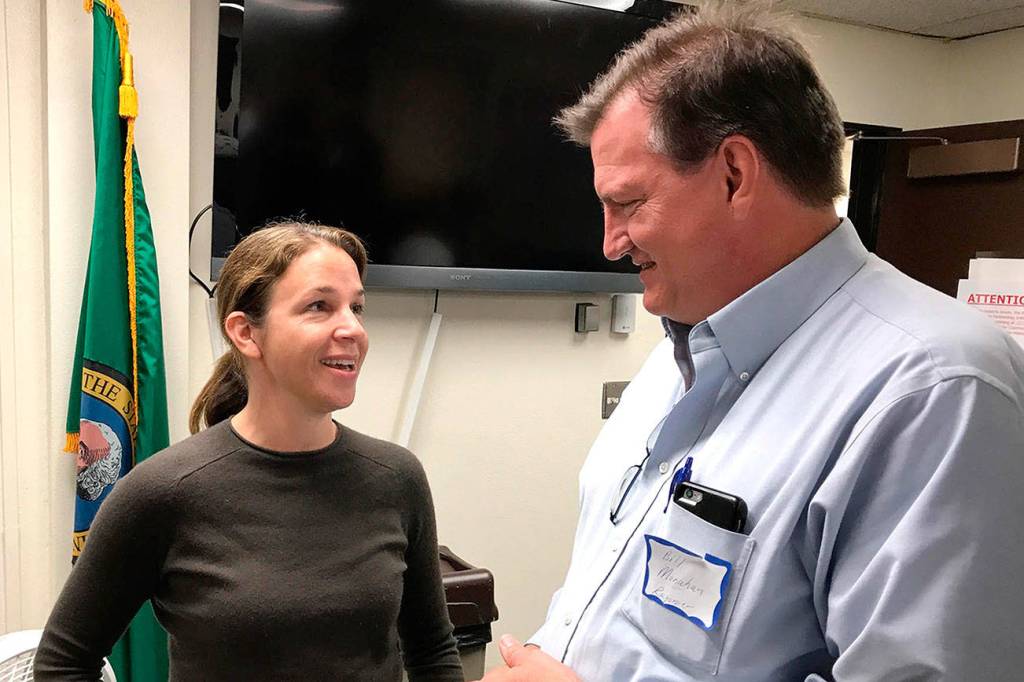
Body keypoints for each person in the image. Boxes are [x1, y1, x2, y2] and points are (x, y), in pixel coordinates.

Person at [479, 3, 1024, 681]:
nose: (611, 243)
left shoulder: (937, 390)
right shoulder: (681, 349)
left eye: (628, 203)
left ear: (735, 174)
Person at [35, 223, 464, 681]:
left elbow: (433, 653)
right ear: (245, 332)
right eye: (319, 306)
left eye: (356, 307)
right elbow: (63, 664)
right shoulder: (163, 491)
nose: (353, 329)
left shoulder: (396, 477)